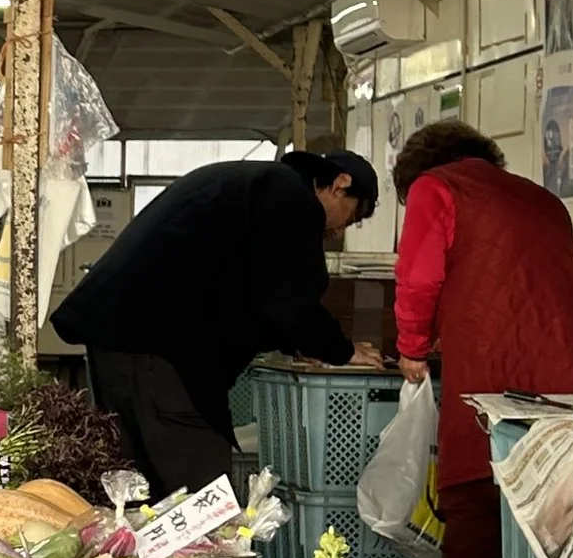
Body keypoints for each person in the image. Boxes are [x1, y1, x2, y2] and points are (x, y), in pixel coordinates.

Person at [49, 148, 382, 496]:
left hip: (118, 343)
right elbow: (289, 299)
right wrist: (341, 350)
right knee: (204, 500)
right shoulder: (292, 197)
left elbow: (253, 290)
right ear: (340, 184)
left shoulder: (258, 185)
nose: (340, 230)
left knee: (135, 493)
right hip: (160, 352)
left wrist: (300, 342)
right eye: (352, 216)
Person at [390, 120, 573, 558]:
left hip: (491, 355)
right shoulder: (542, 198)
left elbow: (419, 276)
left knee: (472, 480)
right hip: (568, 354)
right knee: (554, 481)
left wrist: (413, 347)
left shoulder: (435, 188)